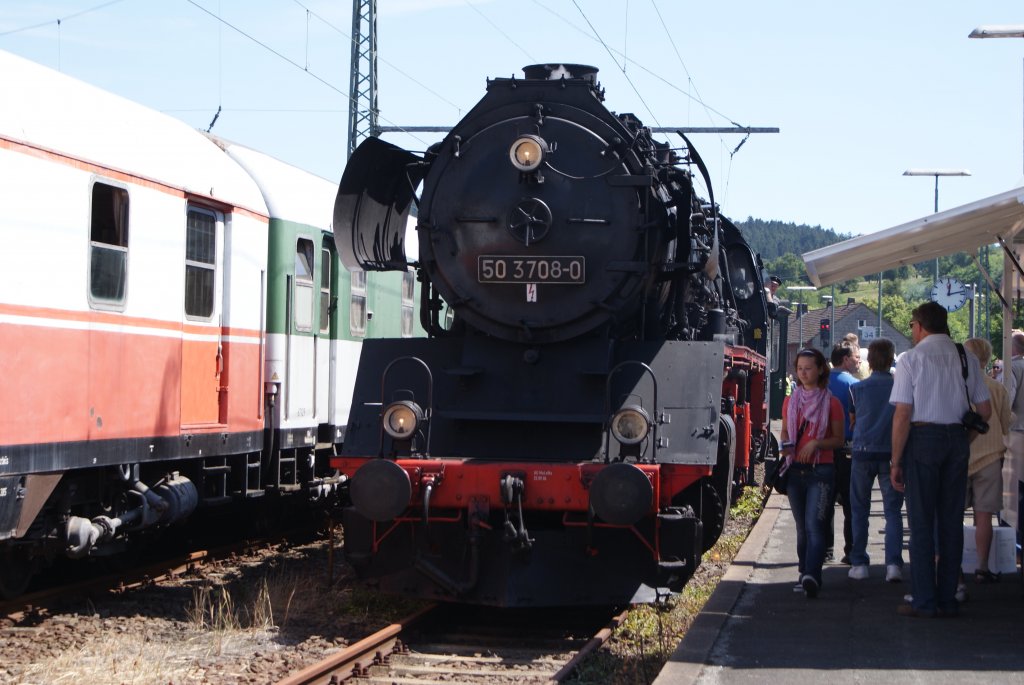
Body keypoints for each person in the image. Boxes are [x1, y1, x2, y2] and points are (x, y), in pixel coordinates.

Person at [890, 302, 991, 618]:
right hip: (956, 440)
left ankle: (923, 600)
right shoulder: (966, 356)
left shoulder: (911, 359)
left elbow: (903, 414)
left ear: (919, 326)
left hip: (922, 440)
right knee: (950, 522)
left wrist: (895, 461)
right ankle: (948, 598)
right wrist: (963, 438)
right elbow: (984, 411)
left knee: (921, 523)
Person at [780, 348, 845, 599]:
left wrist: (817, 443)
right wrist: (786, 447)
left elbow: (838, 440)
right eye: (799, 369)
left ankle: (812, 575)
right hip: (795, 470)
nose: (803, 373)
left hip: (821, 470)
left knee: (814, 525)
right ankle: (803, 572)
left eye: (808, 368)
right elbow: (786, 432)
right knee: (801, 527)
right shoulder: (790, 401)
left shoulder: (832, 403)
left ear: (820, 370)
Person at [847, 338, 904, 582]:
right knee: (892, 512)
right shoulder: (901, 388)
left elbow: (853, 421)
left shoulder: (857, 389)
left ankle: (859, 562)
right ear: (892, 359)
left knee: (859, 508)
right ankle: (893, 564)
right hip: (892, 453)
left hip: (862, 452)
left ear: (869, 361)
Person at [963, 337, 1012, 583]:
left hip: (959, 457)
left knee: (950, 515)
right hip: (991, 457)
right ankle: (982, 565)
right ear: (986, 359)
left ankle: (954, 568)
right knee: (984, 516)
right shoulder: (997, 388)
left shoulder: (957, 384)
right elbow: (1006, 424)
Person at [825, 342, 858, 564]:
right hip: (848, 449)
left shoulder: (820, 383)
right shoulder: (855, 385)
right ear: (845, 359)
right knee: (850, 503)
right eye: (855, 356)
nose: (859, 360)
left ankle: (826, 551)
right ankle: (851, 550)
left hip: (824, 448)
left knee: (824, 503)